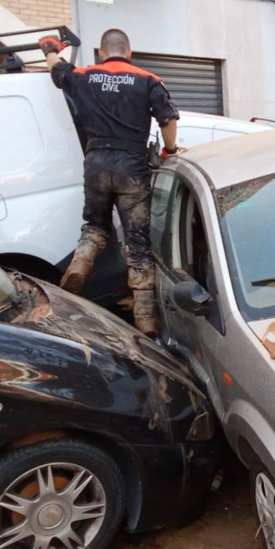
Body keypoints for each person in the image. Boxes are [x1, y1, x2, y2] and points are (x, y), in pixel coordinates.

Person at [39, 28, 183, 337]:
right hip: (132, 167)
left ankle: (79, 266)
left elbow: (56, 71)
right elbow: (168, 118)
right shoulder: (148, 80)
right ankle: (145, 319)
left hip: (96, 164)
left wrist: (50, 49)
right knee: (138, 244)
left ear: (102, 52)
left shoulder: (83, 75)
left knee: (94, 227)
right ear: (128, 52)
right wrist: (169, 150)